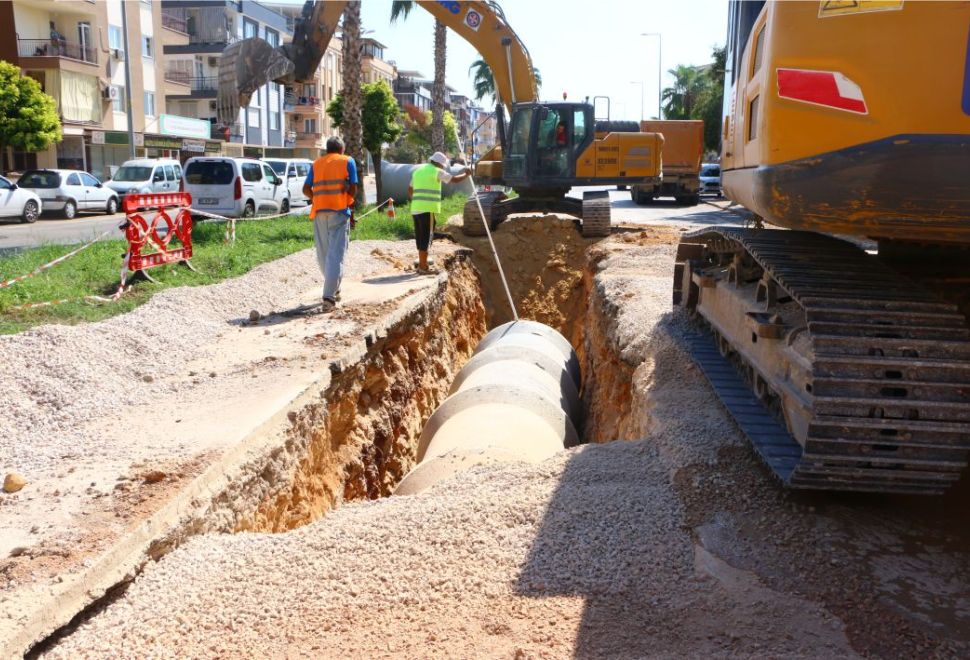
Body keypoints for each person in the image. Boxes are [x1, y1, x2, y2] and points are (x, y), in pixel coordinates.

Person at [302, 136, 358, 312]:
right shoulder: (348, 161)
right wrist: (348, 202)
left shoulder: (316, 163)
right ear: (342, 149)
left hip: (319, 212)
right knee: (336, 254)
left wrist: (317, 199)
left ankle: (333, 288)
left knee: (324, 253)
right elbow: (354, 186)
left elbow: (305, 189)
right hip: (339, 212)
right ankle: (328, 297)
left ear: (327, 150)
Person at [408, 152, 470, 273]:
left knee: (420, 235)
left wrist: (417, 201)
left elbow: (410, 189)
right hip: (427, 209)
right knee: (427, 236)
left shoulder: (418, 171)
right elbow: (454, 180)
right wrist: (466, 174)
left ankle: (422, 260)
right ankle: (423, 267)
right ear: (440, 164)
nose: (443, 167)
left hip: (415, 208)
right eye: (443, 165)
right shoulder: (437, 171)